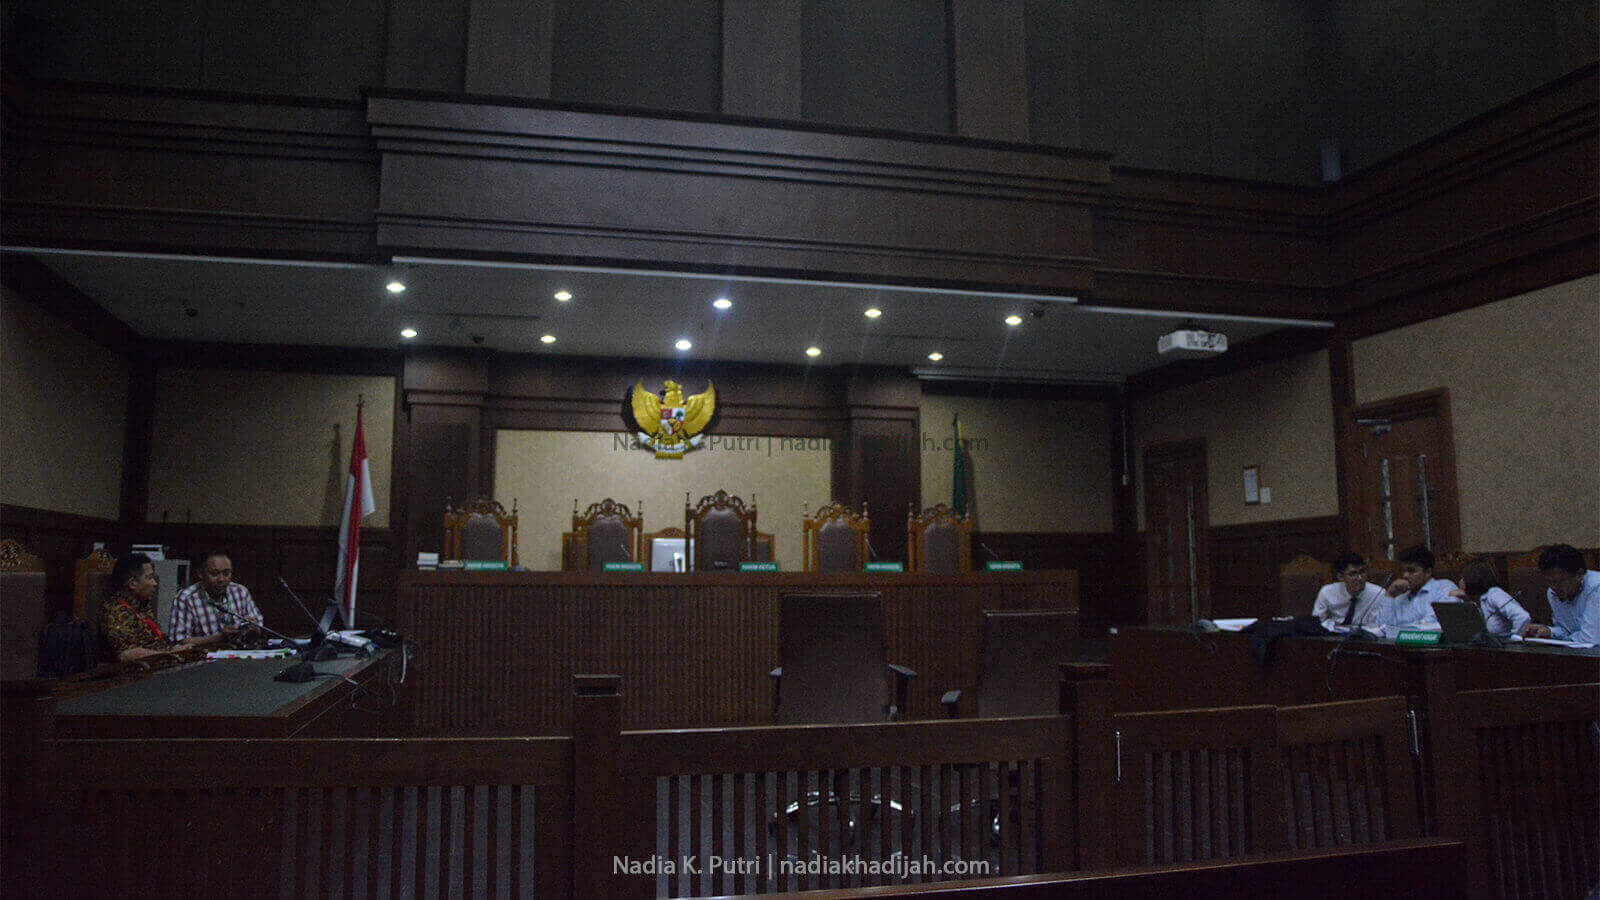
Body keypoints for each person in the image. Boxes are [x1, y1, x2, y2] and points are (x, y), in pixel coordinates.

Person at [99, 553, 215, 662]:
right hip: (138, 673)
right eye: (149, 578)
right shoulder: (116, 611)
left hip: (161, 662)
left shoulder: (141, 606)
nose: (155, 583)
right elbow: (126, 654)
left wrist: (177, 649)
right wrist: (170, 653)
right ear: (132, 583)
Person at [169, 551, 262, 642]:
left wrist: (253, 628)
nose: (221, 579)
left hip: (239, 653)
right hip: (203, 655)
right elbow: (179, 641)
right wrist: (219, 638)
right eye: (214, 574)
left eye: (226, 573)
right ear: (200, 573)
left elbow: (259, 626)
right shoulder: (186, 598)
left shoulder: (240, 592)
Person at [1519, 544, 1600, 644]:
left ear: (1579, 574)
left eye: (1559, 582)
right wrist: (1548, 631)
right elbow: (1566, 630)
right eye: (1550, 582)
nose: (1554, 587)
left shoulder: (1596, 587)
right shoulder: (1553, 592)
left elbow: (1589, 639)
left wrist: (1563, 638)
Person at [1381, 545, 1458, 630]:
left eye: (1411, 570)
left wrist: (1403, 629)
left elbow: (1441, 623)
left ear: (1428, 572)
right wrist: (1389, 595)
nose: (1405, 575)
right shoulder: (1399, 596)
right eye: (1403, 570)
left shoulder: (1444, 588)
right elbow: (1383, 628)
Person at [1452, 559, 1530, 637]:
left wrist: (1514, 639)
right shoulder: (1476, 599)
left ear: (1472, 578)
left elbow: (1522, 617)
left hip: (1504, 646)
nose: (1460, 582)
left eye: (1462, 578)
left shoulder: (1494, 594)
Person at [1312, 551, 1387, 628]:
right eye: (1353, 574)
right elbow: (1317, 621)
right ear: (1340, 577)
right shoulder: (1327, 592)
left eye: (1362, 572)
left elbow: (1381, 625)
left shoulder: (1378, 593)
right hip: (1333, 635)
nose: (1359, 578)